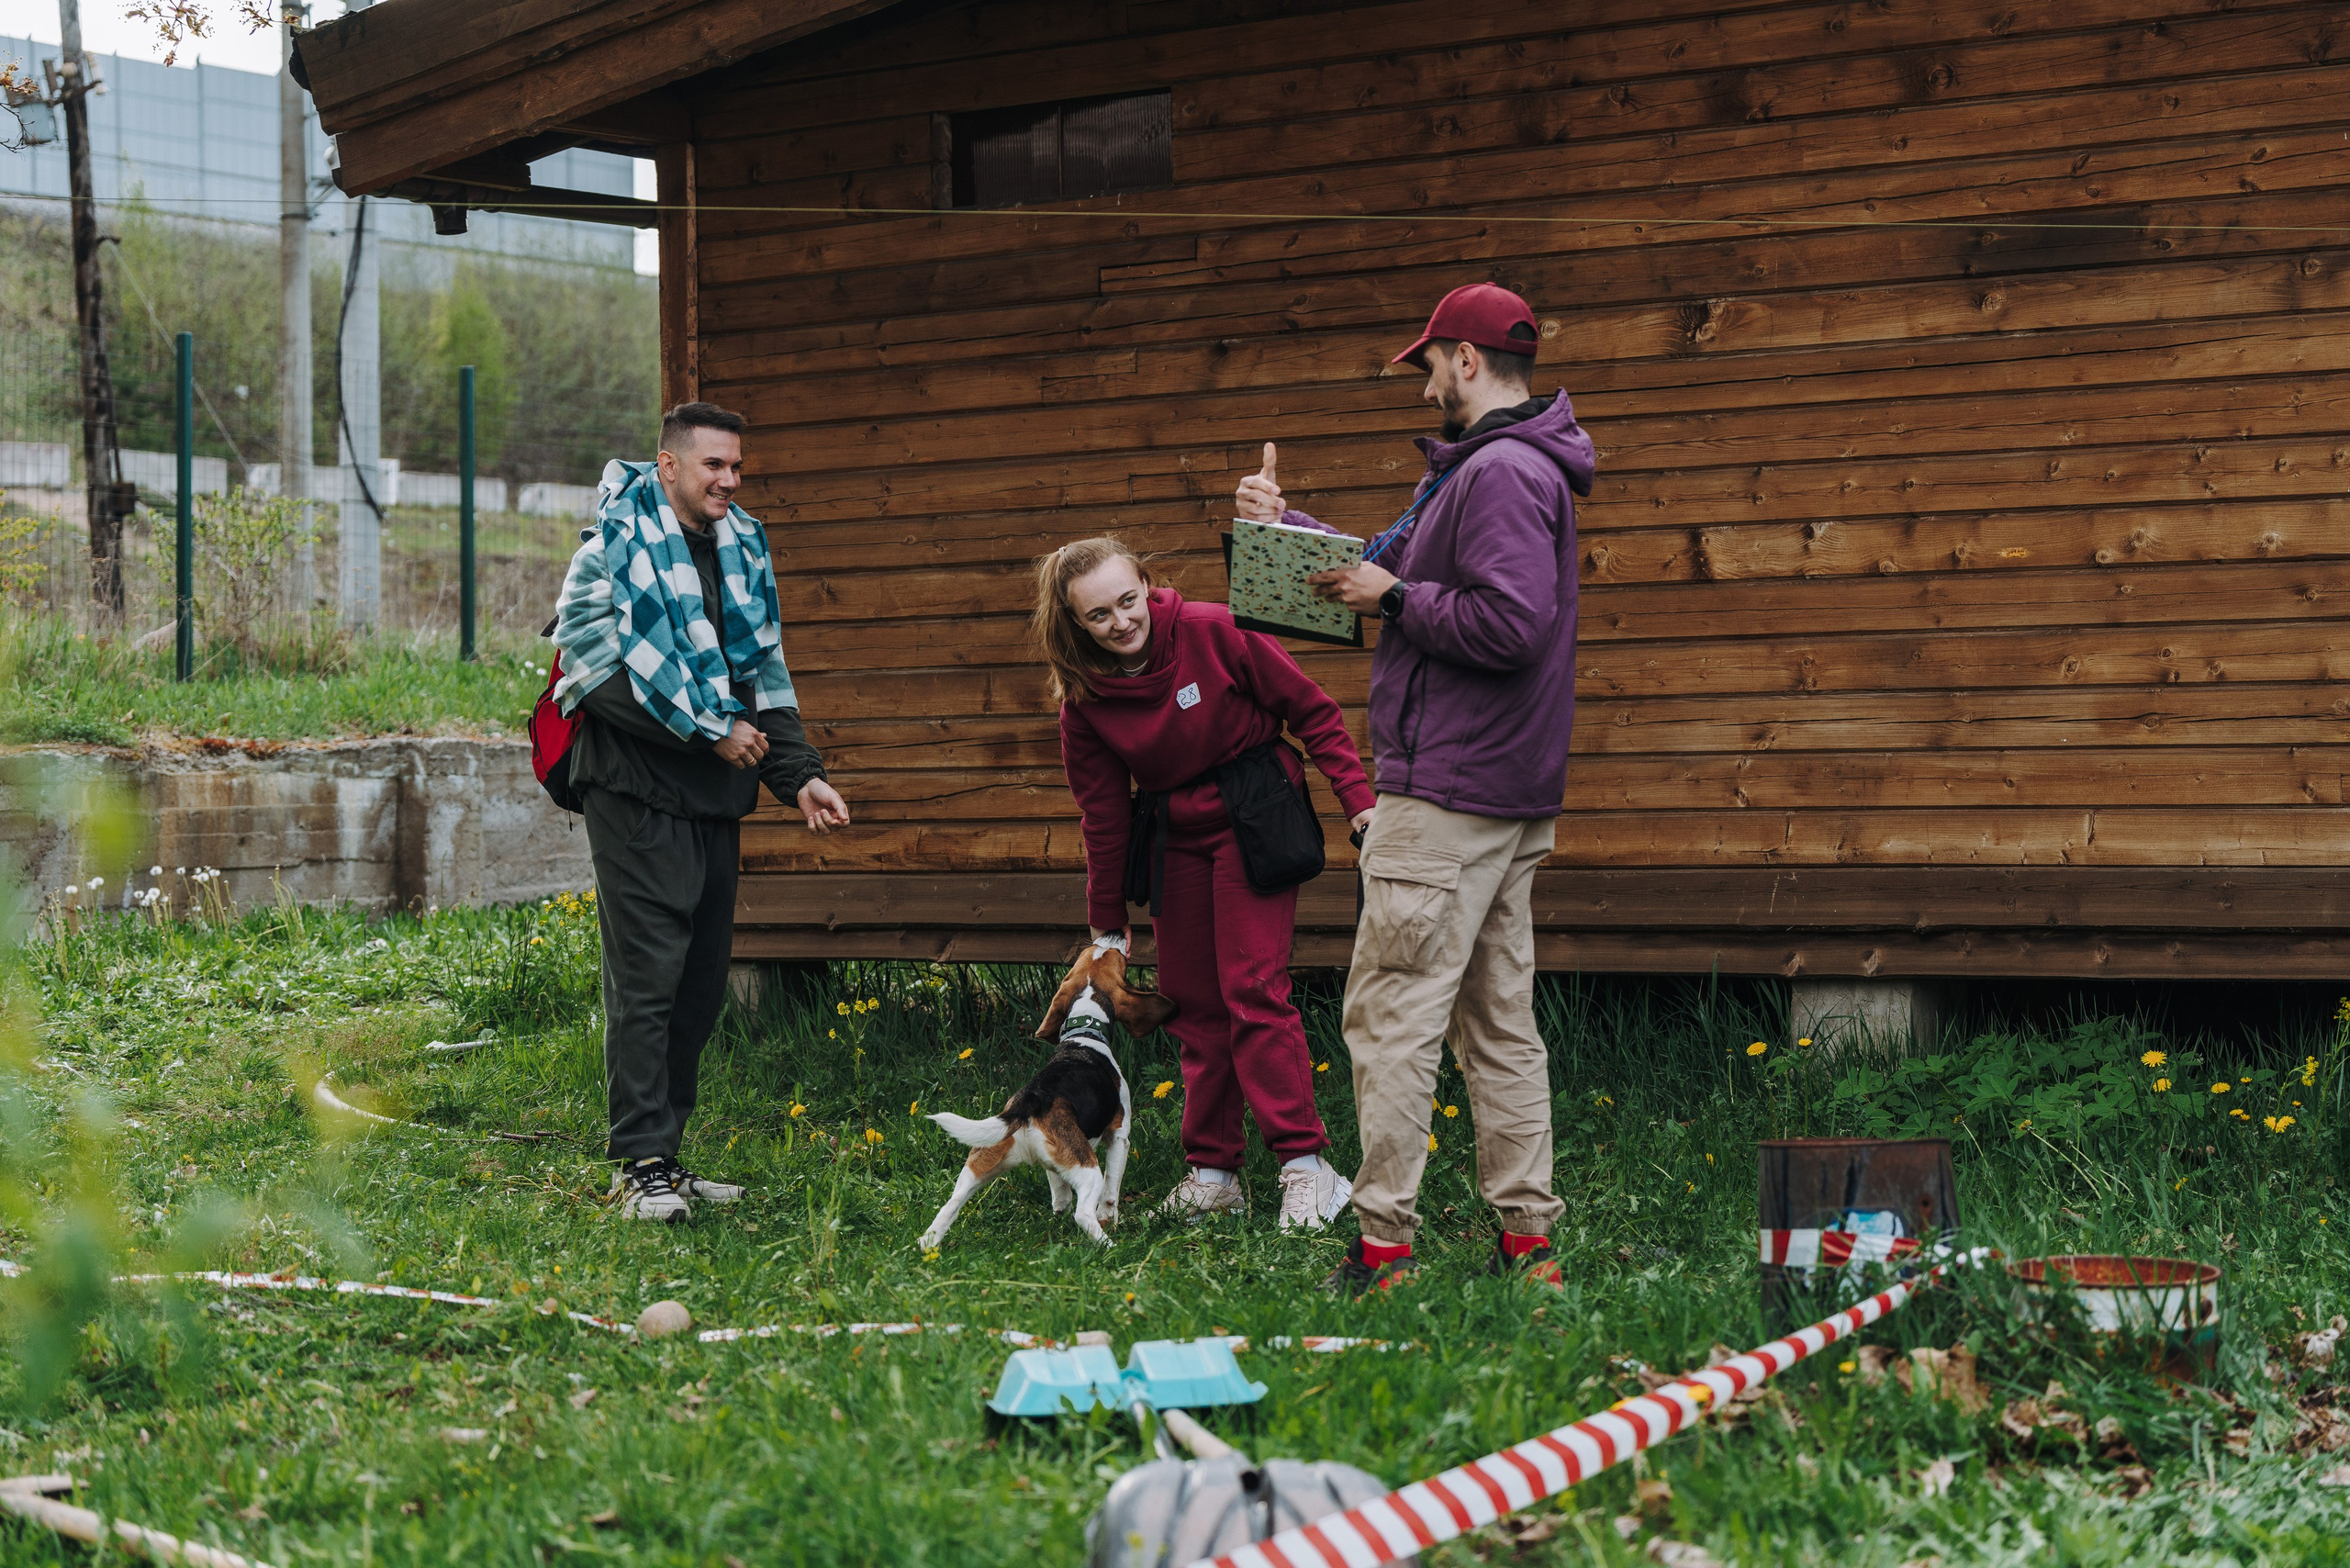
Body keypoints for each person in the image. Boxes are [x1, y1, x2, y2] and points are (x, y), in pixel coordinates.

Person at [1232, 283, 1595, 1294]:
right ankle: (1529, 1246)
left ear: (1467, 360)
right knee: (1497, 1021)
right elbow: (1383, 568)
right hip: (1500, 792)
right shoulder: (1489, 467)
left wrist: (1395, 599)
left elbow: (1506, 624)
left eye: (1429, 362)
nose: (1425, 379)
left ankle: (1383, 1248)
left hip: (1448, 792)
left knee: (1390, 1019)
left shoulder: (1502, 473)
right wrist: (1279, 527)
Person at [552, 400, 852, 1223]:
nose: (729, 480)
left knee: (700, 979)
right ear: (669, 466)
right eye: (713, 465)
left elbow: (766, 674)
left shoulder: (741, 548)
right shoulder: (612, 548)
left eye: (737, 467)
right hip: (633, 784)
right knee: (648, 974)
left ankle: (666, 1158)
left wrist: (800, 777)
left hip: (713, 793)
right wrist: (709, 731)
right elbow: (592, 675)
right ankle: (637, 1160)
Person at [1037, 536, 1377, 1231]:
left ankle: (1309, 1167)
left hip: (1255, 812)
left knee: (1253, 987)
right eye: (1099, 616)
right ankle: (1215, 1172)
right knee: (1192, 1003)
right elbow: (1102, 812)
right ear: (1075, 624)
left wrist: (1360, 805)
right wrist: (1108, 921)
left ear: (1146, 584)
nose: (1121, 622)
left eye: (1128, 601)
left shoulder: (1213, 631)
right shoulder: (1086, 701)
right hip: (1175, 834)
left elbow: (1313, 712)